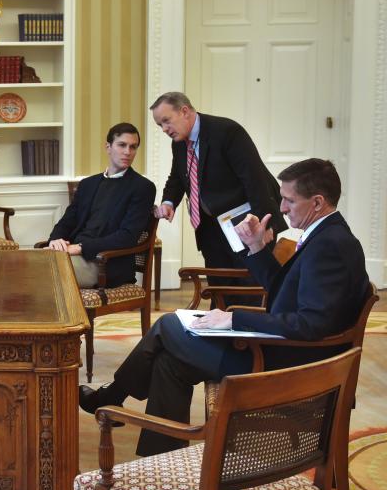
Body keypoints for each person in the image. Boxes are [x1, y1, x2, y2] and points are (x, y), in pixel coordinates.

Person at [79, 158, 369, 456]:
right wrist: (256, 247)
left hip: (287, 367)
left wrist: (234, 319)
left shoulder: (330, 246)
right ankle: (164, 459)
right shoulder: (326, 237)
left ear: (317, 202)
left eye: (289, 200)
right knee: (169, 364)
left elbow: (310, 325)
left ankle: (113, 396)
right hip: (279, 351)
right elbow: (285, 292)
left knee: (168, 326)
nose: (281, 208)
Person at [151, 91, 286, 299]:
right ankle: (220, 325)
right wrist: (169, 202)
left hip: (246, 219)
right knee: (219, 285)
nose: (164, 129)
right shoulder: (178, 143)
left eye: (166, 121)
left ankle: (249, 325)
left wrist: (264, 224)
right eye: (160, 125)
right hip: (210, 224)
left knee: (249, 284)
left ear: (184, 111)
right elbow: (178, 177)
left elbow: (254, 179)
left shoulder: (227, 131)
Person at [45, 123, 156, 287]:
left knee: (44, 274)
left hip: (106, 263)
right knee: (30, 267)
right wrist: (56, 240)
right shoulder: (88, 184)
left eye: (133, 147)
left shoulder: (143, 187)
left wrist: (81, 248)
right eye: (122, 145)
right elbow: (67, 221)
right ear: (108, 147)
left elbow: (127, 237)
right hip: (73, 255)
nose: (127, 152)